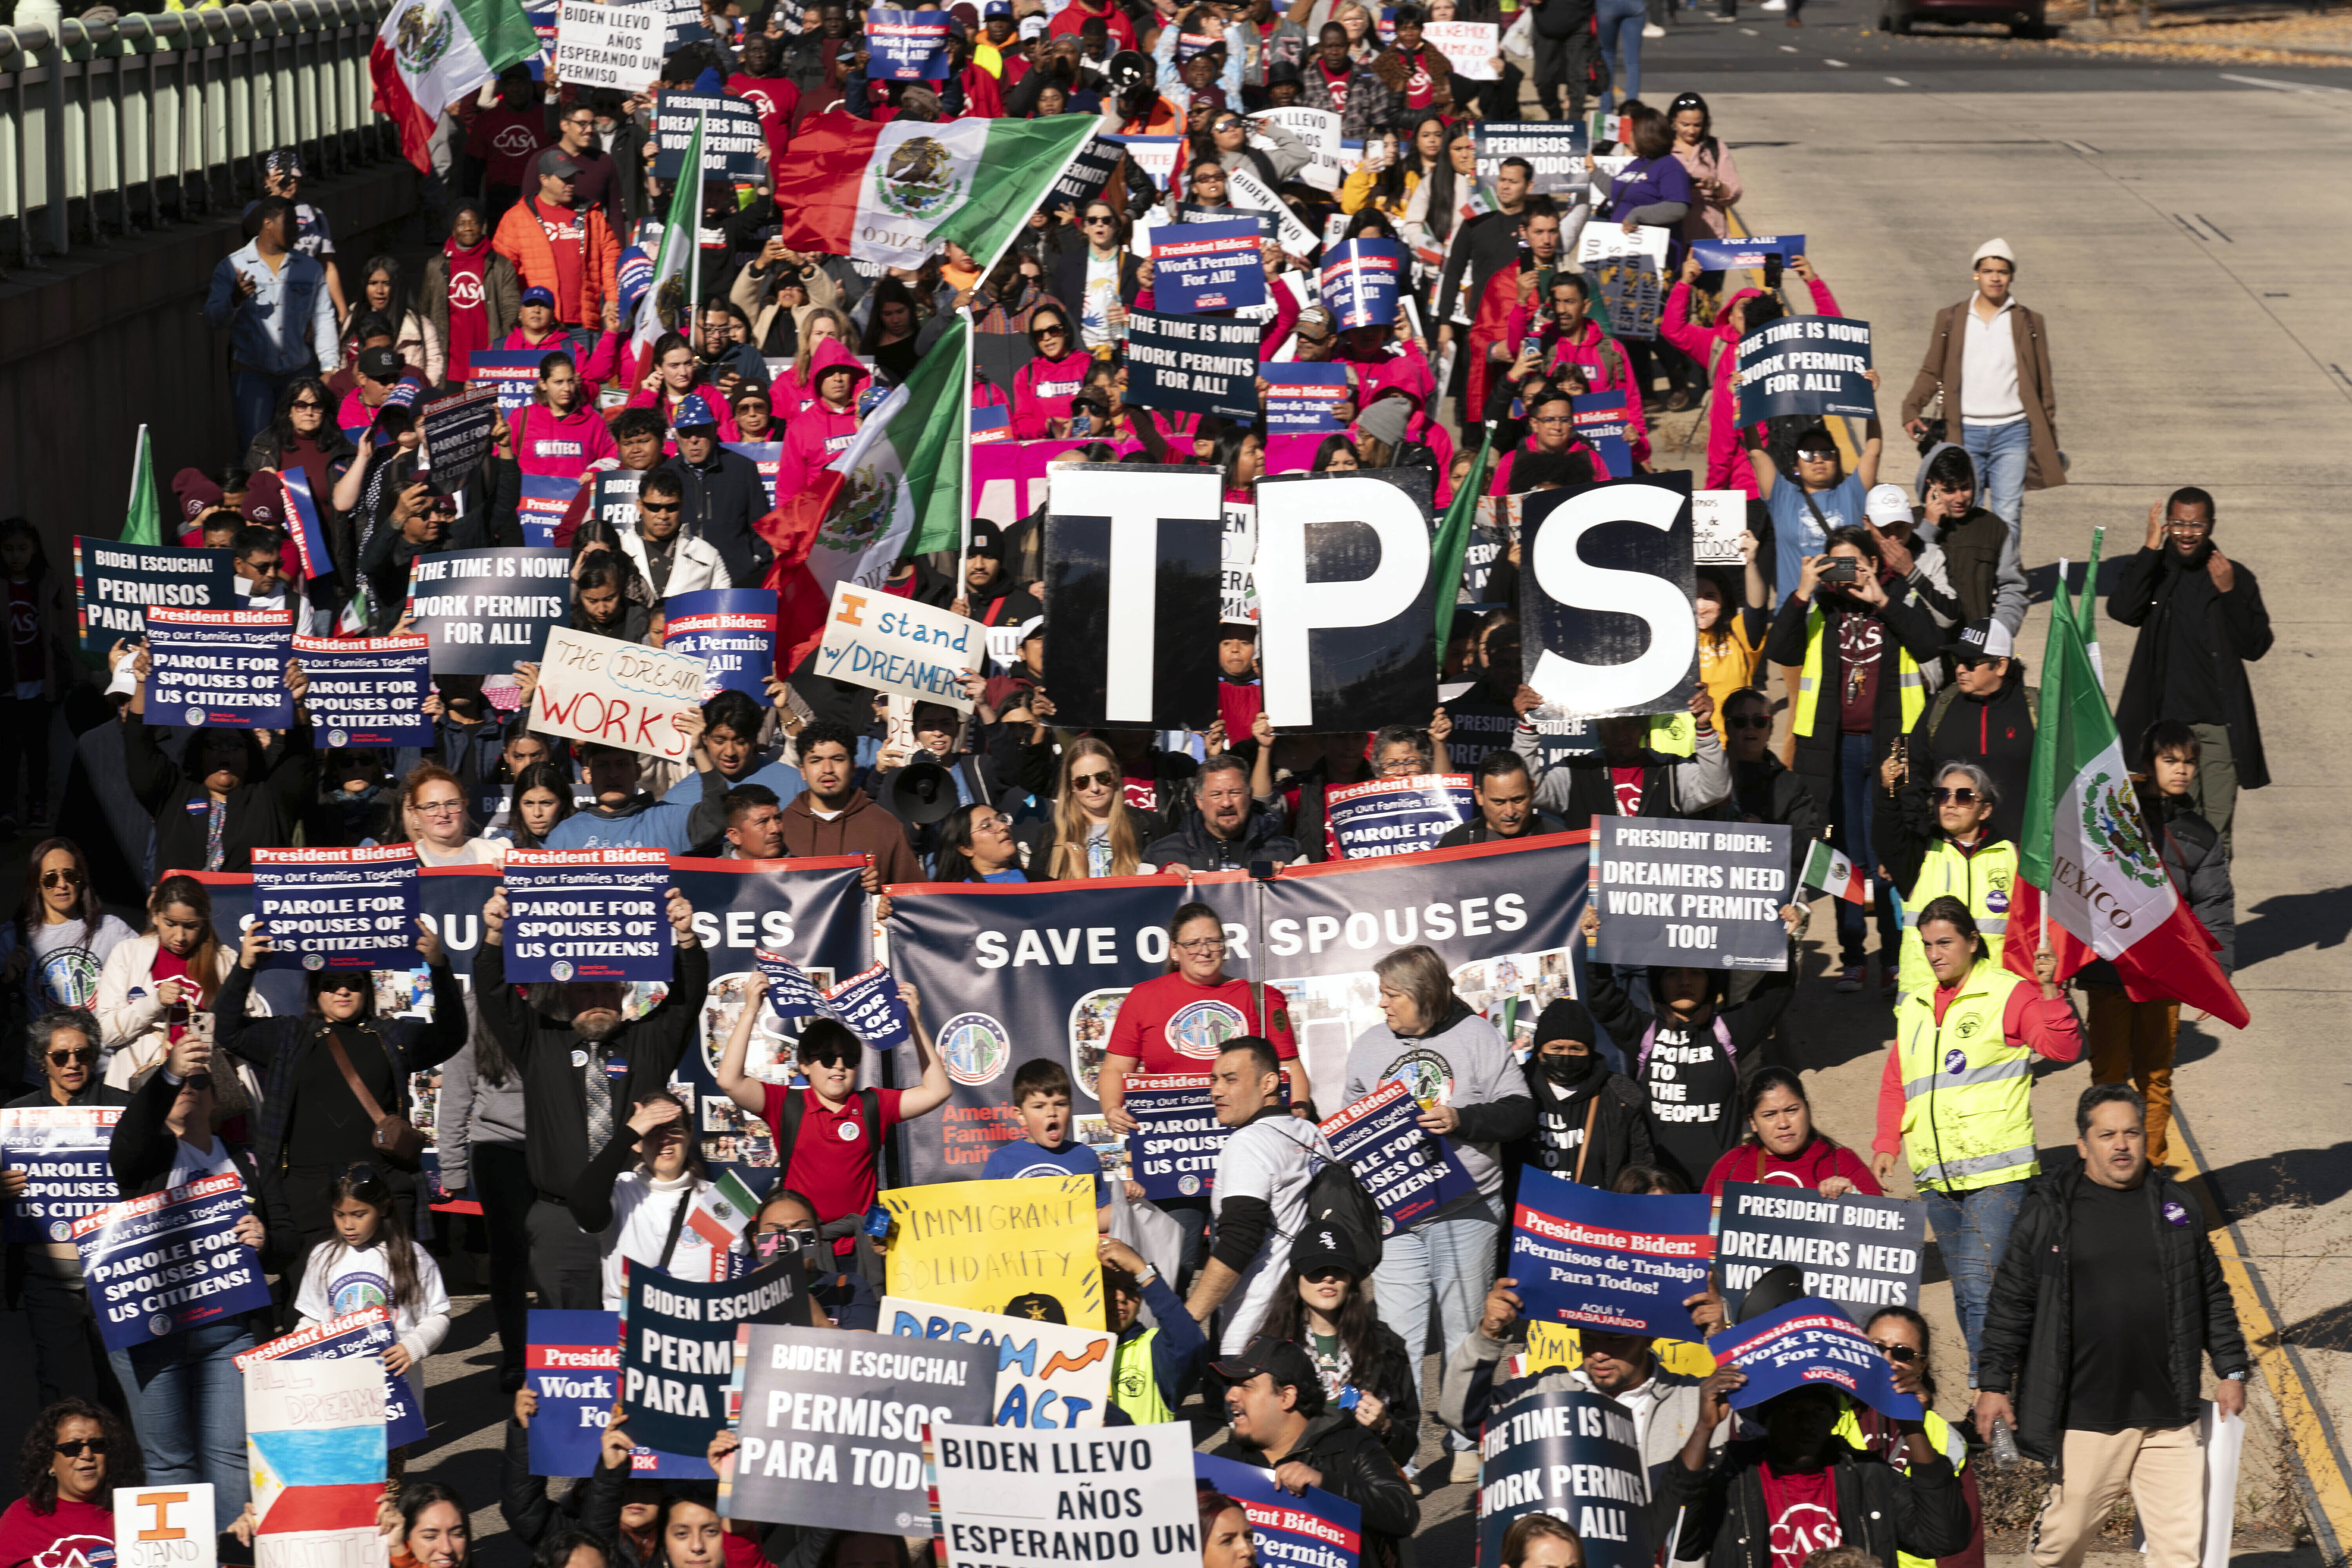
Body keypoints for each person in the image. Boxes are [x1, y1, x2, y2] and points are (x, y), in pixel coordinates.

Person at [1974, 1083, 2250, 1568]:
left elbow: (2211, 1293)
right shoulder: (2050, 1211)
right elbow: (2010, 1302)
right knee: (2063, 1540)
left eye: (2131, 1133)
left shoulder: (2177, 1207)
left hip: (2169, 1412)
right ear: (2083, 1145)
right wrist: (1994, 1383)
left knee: (2182, 1550)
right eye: (2107, 1135)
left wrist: (2232, 1368)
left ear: (2146, 1139)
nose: (2121, 1144)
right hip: (2089, 1414)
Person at [1340, 944, 1529, 1481]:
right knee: (1396, 1337)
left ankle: (1466, 1438)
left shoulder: (1478, 1038)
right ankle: (1397, 1452)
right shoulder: (1371, 1046)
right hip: (1397, 1218)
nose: (1382, 1005)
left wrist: (1461, 1119)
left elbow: (1519, 1112)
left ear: (1424, 997)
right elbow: (1351, 1115)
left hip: (1466, 1210)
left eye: (1392, 995)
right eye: (1381, 994)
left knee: (1464, 1328)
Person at [1872, 898, 2079, 1385]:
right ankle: (1997, 1389)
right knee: (1968, 1293)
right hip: (1937, 1177)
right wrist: (1887, 1141)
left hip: (1997, 1177)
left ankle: (1994, 1398)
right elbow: (1896, 1078)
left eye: (1945, 943)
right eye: (1927, 945)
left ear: (1972, 942)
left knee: (1980, 1287)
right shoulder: (1918, 1003)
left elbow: (2063, 1046)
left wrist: (2049, 990)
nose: (1935, 954)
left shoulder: (2009, 993)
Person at [474, 881, 708, 1309]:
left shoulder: (649, 1040)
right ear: (566, 994)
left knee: (640, 1337)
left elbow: (688, 999)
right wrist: (493, 935)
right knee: (573, 1346)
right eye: (586, 989)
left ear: (622, 995)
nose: (597, 999)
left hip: (636, 1210)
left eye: (607, 989)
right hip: (561, 1219)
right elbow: (493, 996)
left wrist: (686, 938)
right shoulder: (539, 1042)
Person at [107, 1028, 298, 1534]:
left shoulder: (249, 1161)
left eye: (199, 1082)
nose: (189, 1090)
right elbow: (126, 1146)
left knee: (231, 1456)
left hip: (228, 1333)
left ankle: (232, 1558)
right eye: (178, 1085)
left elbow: (289, 1239)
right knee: (169, 1463)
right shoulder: (145, 1160)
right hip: (153, 1333)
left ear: (217, 1096)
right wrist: (169, 1071)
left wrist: (265, 1240)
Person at [1762, 530, 1946, 995]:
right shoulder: (1820, 606)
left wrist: (1883, 599)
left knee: (1888, 852)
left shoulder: (1895, 598)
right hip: (1833, 749)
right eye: (1836, 565)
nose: (1847, 576)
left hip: (1891, 747)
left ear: (1872, 563)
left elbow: (1929, 645)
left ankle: (1892, 958)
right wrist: (1802, 591)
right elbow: (1780, 652)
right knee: (1843, 856)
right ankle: (1852, 957)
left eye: (1854, 564)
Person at [216, 913, 463, 1252]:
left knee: (391, 1299)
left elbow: (452, 1036)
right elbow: (225, 1030)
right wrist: (244, 967)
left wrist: (439, 966)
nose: (343, 990)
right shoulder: (289, 1035)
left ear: (367, 988)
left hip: (381, 1192)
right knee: (306, 1302)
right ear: (316, 991)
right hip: (307, 1196)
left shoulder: (390, 1034)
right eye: (331, 983)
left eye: (354, 983)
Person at [1444, 1269, 1720, 1553]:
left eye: (1616, 1340)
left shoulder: (1693, 1400)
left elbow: (1758, 1425)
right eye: (1589, 1338)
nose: (1599, 1353)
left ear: (1649, 1338)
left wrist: (1722, 1338)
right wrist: (1488, 1335)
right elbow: (1465, 1418)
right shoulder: (1546, 1392)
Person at [2076, 722, 2234, 1171]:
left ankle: (2154, 1169)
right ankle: (2103, 1168)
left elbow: (2215, 903)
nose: (2181, 771)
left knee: (2156, 1077)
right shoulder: (2114, 818)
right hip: (2112, 973)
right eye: (2171, 761)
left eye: (2188, 763)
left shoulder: (2199, 835)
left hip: (2166, 974)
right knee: (2107, 1076)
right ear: (2149, 764)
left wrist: (2216, 975)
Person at [715, 991, 951, 1280]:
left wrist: (915, 1021)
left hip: (863, 1249)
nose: (840, 1065)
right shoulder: (785, 1104)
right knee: (796, 1324)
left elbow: (939, 1091)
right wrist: (751, 1008)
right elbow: (728, 1080)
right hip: (795, 1247)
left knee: (862, 1324)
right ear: (804, 1066)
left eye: (850, 1059)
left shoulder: (873, 1105)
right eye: (828, 1058)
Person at [1664, 1352, 1972, 1568]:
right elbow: (1675, 1541)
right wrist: (1705, 1427)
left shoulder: (1870, 1477)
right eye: (1794, 1413)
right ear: (1767, 1419)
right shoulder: (1733, 1475)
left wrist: (1913, 1427)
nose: (1806, 1424)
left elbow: (1942, 1540)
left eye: (1818, 1413)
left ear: (1833, 1420)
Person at [1580, 904, 1793, 1191]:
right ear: (1659, 984)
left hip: (1719, 1186)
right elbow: (1603, 998)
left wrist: (1788, 941)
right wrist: (1594, 941)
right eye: (1672, 974)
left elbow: (1774, 995)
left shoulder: (1727, 1031)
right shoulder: (1645, 1032)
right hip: (1659, 1190)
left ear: (1710, 982)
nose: (1684, 982)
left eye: (1696, 973)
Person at [2108, 489, 2271, 847]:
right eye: (2179, 523)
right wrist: (2150, 549)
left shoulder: (2234, 576)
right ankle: (2179, 904)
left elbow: (2256, 646)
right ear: (2167, 523)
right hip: (2166, 726)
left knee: (2215, 835)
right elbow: (2122, 610)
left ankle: (2211, 905)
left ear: (2211, 525)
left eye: (2196, 524)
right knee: (2168, 830)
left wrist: (2229, 592)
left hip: (2218, 728)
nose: (2186, 532)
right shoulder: (2156, 570)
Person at [2, 1012, 132, 1414]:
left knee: (120, 1388)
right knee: (61, 1388)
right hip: (48, 1275)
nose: (73, 1063)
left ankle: (122, 1471)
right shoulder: (15, 1116)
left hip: (114, 1272)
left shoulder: (123, 1110)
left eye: (83, 1053)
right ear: (42, 1061)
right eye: (61, 1056)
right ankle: (61, 1467)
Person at [1100, 902, 1309, 1149]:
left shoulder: (1263, 998)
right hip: (1170, 1144)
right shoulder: (1143, 998)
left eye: (1213, 942)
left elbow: (1290, 1068)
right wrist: (1112, 1108)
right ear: (1174, 951)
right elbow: (1115, 1068)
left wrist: (1298, 1113)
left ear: (1224, 947)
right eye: (1193, 944)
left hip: (1254, 1142)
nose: (1205, 951)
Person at [1209, 1334, 1420, 1568]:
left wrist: (1325, 1485)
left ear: (1286, 1397)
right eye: (1232, 1386)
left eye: (1246, 1386)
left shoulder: (1350, 1446)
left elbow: (1404, 1513)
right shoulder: (1223, 1465)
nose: (1231, 1396)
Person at [1899, 239, 2062, 534]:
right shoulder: (1952, 318)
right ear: (1977, 274)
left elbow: (2044, 385)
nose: (1996, 278)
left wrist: (2047, 433)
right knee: (1963, 512)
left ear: (2012, 276)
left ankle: (2007, 580)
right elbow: (1931, 369)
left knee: (2008, 515)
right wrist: (1911, 408)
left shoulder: (2030, 322)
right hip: (1965, 432)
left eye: (2002, 271)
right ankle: (1970, 577)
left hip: (2013, 433)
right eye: (1988, 271)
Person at [1187, 1037, 1338, 1351]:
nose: (1216, 1091)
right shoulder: (1311, 1133)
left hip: (1256, 1332)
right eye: (1214, 1080)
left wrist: (1187, 1321)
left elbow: (1239, 1241)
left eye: (1231, 1080)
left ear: (1269, 1083)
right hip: (1315, 1320)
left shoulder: (1248, 1143)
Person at [292, 1165, 451, 1429]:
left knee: (389, 1471)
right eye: (339, 1214)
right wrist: (295, 1351)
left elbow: (438, 1316)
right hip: (338, 1395)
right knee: (344, 1467)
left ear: (384, 1208)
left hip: (395, 1399)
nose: (347, 1225)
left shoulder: (412, 1257)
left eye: (359, 1214)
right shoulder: (322, 1256)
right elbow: (312, 1318)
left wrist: (414, 1347)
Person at [1259, 1226, 1421, 1468]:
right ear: (1296, 1278)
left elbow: (1407, 1446)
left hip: (1362, 1481)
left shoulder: (1385, 1347)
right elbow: (1250, 1433)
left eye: (1339, 1270)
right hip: (1289, 1483)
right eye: (1316, 1270)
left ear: (1352, 1281)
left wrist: (1386, 1426)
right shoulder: (1268, 1348)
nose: (1328, 1278)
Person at [1836, 1307, 1984, 1568]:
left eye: (1903, 1353)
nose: (1888, 1360)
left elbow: (1962, 1547)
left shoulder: (1944, 1436)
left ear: (1921, 1366)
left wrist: (1913, 1426)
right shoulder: (1826, 1415)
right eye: (1876, 1348)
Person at [567, 1091, 745, 1307]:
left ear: (689, 1135)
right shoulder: (621, 1189)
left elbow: (739, 1282)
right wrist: (628, 1134)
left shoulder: (721, 1199)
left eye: (674, 1127)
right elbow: (584, 1208)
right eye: (652, 1130)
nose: (665, 1138)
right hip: (628, 1329)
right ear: (636, 1143)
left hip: (696, 1331)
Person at [434, 1015, 533, 1394]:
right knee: (509, 1259)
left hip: (557, 1148)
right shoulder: (475, 1011)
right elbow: (457, 1095)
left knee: (558, 1259)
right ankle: (516, 1357)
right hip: (498, 1150)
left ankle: (563, 1354)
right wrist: (453, 1169)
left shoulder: (560, 995)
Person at [1879, 760, 2016, 1011]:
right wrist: (1889, 792)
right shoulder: (1919, 852)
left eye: (1964, 797)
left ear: (1984, 811)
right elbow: (1887, 838)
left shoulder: (2011, 856)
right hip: (1927, 1004)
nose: (1951, 803)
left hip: (1992, 1000)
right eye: (1943, 795)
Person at [205, 195, 338, 451]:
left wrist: (330, 366)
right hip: (253, 376)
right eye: (289, 223)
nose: (297, 231)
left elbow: (323, 317)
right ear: (268, 224)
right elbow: (212, 319)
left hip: (299, 373)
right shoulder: (232, 266)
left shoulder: (310, 269)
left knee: (302, 444)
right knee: (257, 447)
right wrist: (234, 299)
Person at [1891, 619, 2036, 848]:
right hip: (1949, 852)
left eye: (1970, 663)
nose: (1960, 669)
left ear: (2000, 666)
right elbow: (1912, 771)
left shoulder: (2036, 711)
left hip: (2020, 856)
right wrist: (1916, 838)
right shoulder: (1940, 706)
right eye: (1957, 661)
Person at [94, 875, 247, 1089]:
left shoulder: (225, 960)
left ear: (203, 922)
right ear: (156, 915)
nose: (180, 936)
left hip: (207, 1092)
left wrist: (211, 1033)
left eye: (191, 926)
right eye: (171, 924)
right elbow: (107, 1033)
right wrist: (154, 1002)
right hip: (146, 1088)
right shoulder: (127, 954)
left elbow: (251, 1032)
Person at [1509, 997, 1653, 1190]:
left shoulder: (1620, 1094)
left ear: (1590, 1052)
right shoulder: (1514, 1089)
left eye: (1577, 1049)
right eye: (1557, 1048)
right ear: (1540, 1051)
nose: (1567, 1056)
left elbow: (1641, 1164)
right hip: (1532, 1216)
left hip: (1596, 1215)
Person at [776, 721, 926, 886]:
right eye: (816, 761)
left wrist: (880, 898)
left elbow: (913, 900)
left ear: (854, 768)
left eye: (838, 759)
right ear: (803, 771)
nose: (828, 769)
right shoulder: (780, 828)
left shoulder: (887, 827)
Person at [2, 839, 136, 1024]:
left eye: (70, 876)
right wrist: (5, 979)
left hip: (102, 1051)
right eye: (51, 878)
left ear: (81, 881)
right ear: (37, 885)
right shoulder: (13, 937)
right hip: (45, 1052)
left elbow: (152, 969)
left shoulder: (111, 930)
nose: (62, 884)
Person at [0, 1397, 141, 1568]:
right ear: (49, 1460)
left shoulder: (136, 1514)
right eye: (72, 1448)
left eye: (98, 1445)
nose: (87, 1455)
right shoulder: (21, 1517)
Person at [1702, 1066, 1882, 1198]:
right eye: (1770, 1115)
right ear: (1753, 1123)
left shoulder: (1843, 1164)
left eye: (1792, 1111)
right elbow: (1698, 1234)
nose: (1783, 1123)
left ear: (1808, 1110)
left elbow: (1886, 1238)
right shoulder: (1730, 1167)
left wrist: (1855, 1199)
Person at [493, 149, 622, 331]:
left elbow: (611, 260)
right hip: (539, 326)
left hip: (584, 323)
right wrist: (515, 315)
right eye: (564, 179)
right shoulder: (517, 218)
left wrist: (612, 299)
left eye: (573, 178)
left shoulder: (592, 214)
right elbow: (503, 274)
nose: (571, 184)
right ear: (544, 180)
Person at [1913, 445, 2027, 637]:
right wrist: (1928, 529)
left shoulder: (1993, 528)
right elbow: (1900, 577)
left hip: (1975, 650)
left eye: (1965, 488)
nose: (1960, 498)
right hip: (1922, 648)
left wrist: (1999, 632)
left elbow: (2014, 588)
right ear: (1931, 487)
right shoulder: (1907, 525)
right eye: (1949, 490)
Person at [982, 1058, 1110, 1227]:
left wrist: (1125, 1204)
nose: (1052, 1113)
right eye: (1039, 1106)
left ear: (1070, 1109)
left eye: (1060, 1104)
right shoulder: (1001, 1161)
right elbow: (984, 1221)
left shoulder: (1085, 1156)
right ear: (1021, 1116)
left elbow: (1099, 1217)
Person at [1014, 737, 1165, 879]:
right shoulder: (1050, 834)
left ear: (1115, 776)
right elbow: (1038, 896)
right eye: (1083, 782)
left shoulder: (1149, 824)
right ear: (1071, 786)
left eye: (1103, 777)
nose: (1095, 788)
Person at [1100, 1233, 1208, 1425]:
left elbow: (1190, 1342)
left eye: (1132, 1288)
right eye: (1108, 1286)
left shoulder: (1152, 1351)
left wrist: (1143, 1273)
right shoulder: (1068, 1347)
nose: (1121, 1297)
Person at [1145, 754, 1304, 871]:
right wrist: (1161, 882)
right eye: (1216, 795)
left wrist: (1284, 885)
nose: (1227, 803)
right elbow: (1137, 908)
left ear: (1249, 797)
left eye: (1235, 793)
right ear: (1199, 800)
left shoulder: (1289, 854)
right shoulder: (1159, 855)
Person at [621, 470, 732, 601]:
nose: (663, 516)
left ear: (682, 505)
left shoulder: (708, 555)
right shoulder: (619, 549)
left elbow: (725, 608)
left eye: (672, 507)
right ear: (640, 506)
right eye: (654, 508)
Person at [1436, 750, 1568, 847]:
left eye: (1518, 800)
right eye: (1499, 802)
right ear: (1479, 796)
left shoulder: (1561, 842)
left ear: (1533, 790)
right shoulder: (1456, 843)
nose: (1510, 812)